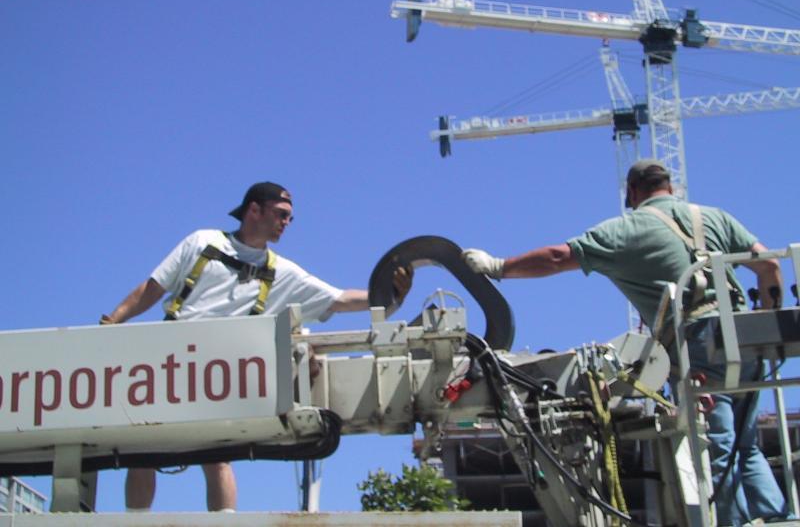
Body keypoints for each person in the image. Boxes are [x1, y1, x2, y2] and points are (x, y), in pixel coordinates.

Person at [461, 159, 791, 526]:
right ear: (671, 187)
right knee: (747, 446)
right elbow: (770, 267)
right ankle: (780, 518)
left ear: (632, 193)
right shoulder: (713, 217)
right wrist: (767, 325)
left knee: (715, 445)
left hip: (697, 344)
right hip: (747, 341)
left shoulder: (628, 229)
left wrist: (498, 266)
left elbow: (557, 258)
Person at [102, 181, 412, 513]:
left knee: (218, 455)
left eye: (290, 217)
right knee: (143, 450)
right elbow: (153, 288)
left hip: (218, 372)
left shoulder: (281, 272)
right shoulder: (203, 242)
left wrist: (392, 296)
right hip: (171, 360)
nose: (286, 223)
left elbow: (339, 299)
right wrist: (113, 321)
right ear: (254, 210)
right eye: (281, 214)